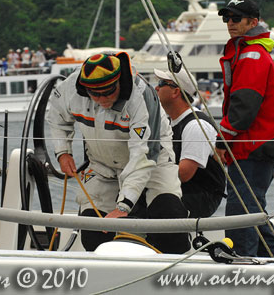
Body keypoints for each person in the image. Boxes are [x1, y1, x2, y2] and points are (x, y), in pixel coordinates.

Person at [47, 52, 190, 253]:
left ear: (119, 83)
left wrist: (122, 207)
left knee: (169, 218)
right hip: (101, 166)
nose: (103, 99)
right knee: (93, 233)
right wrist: (63, 152)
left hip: (154, 161)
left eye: (108, 92)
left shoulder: (141, 96)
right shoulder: (70, 88)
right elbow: (56, 117)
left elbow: (143, 155)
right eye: (95, 95)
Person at [215, 0, 274, 257]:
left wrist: (222, 139)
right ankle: (272, 260)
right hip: (258, 142)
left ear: (253, 22)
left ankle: (242, 262)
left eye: (236, 18)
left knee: (241, 210)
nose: (230, 23)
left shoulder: (251, 54)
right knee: (251, 206)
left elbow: (244, 104)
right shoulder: (251, 51)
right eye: (227, 18)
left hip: (256, 143)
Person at [154, 68, 226, 218]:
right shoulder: (171, 123)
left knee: (148, 205)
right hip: (181, 190)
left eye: (161, 83)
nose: (156, 88)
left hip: (201, 196)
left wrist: (148, 176)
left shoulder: (195, 125)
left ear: (175, 92)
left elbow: (184, 173)